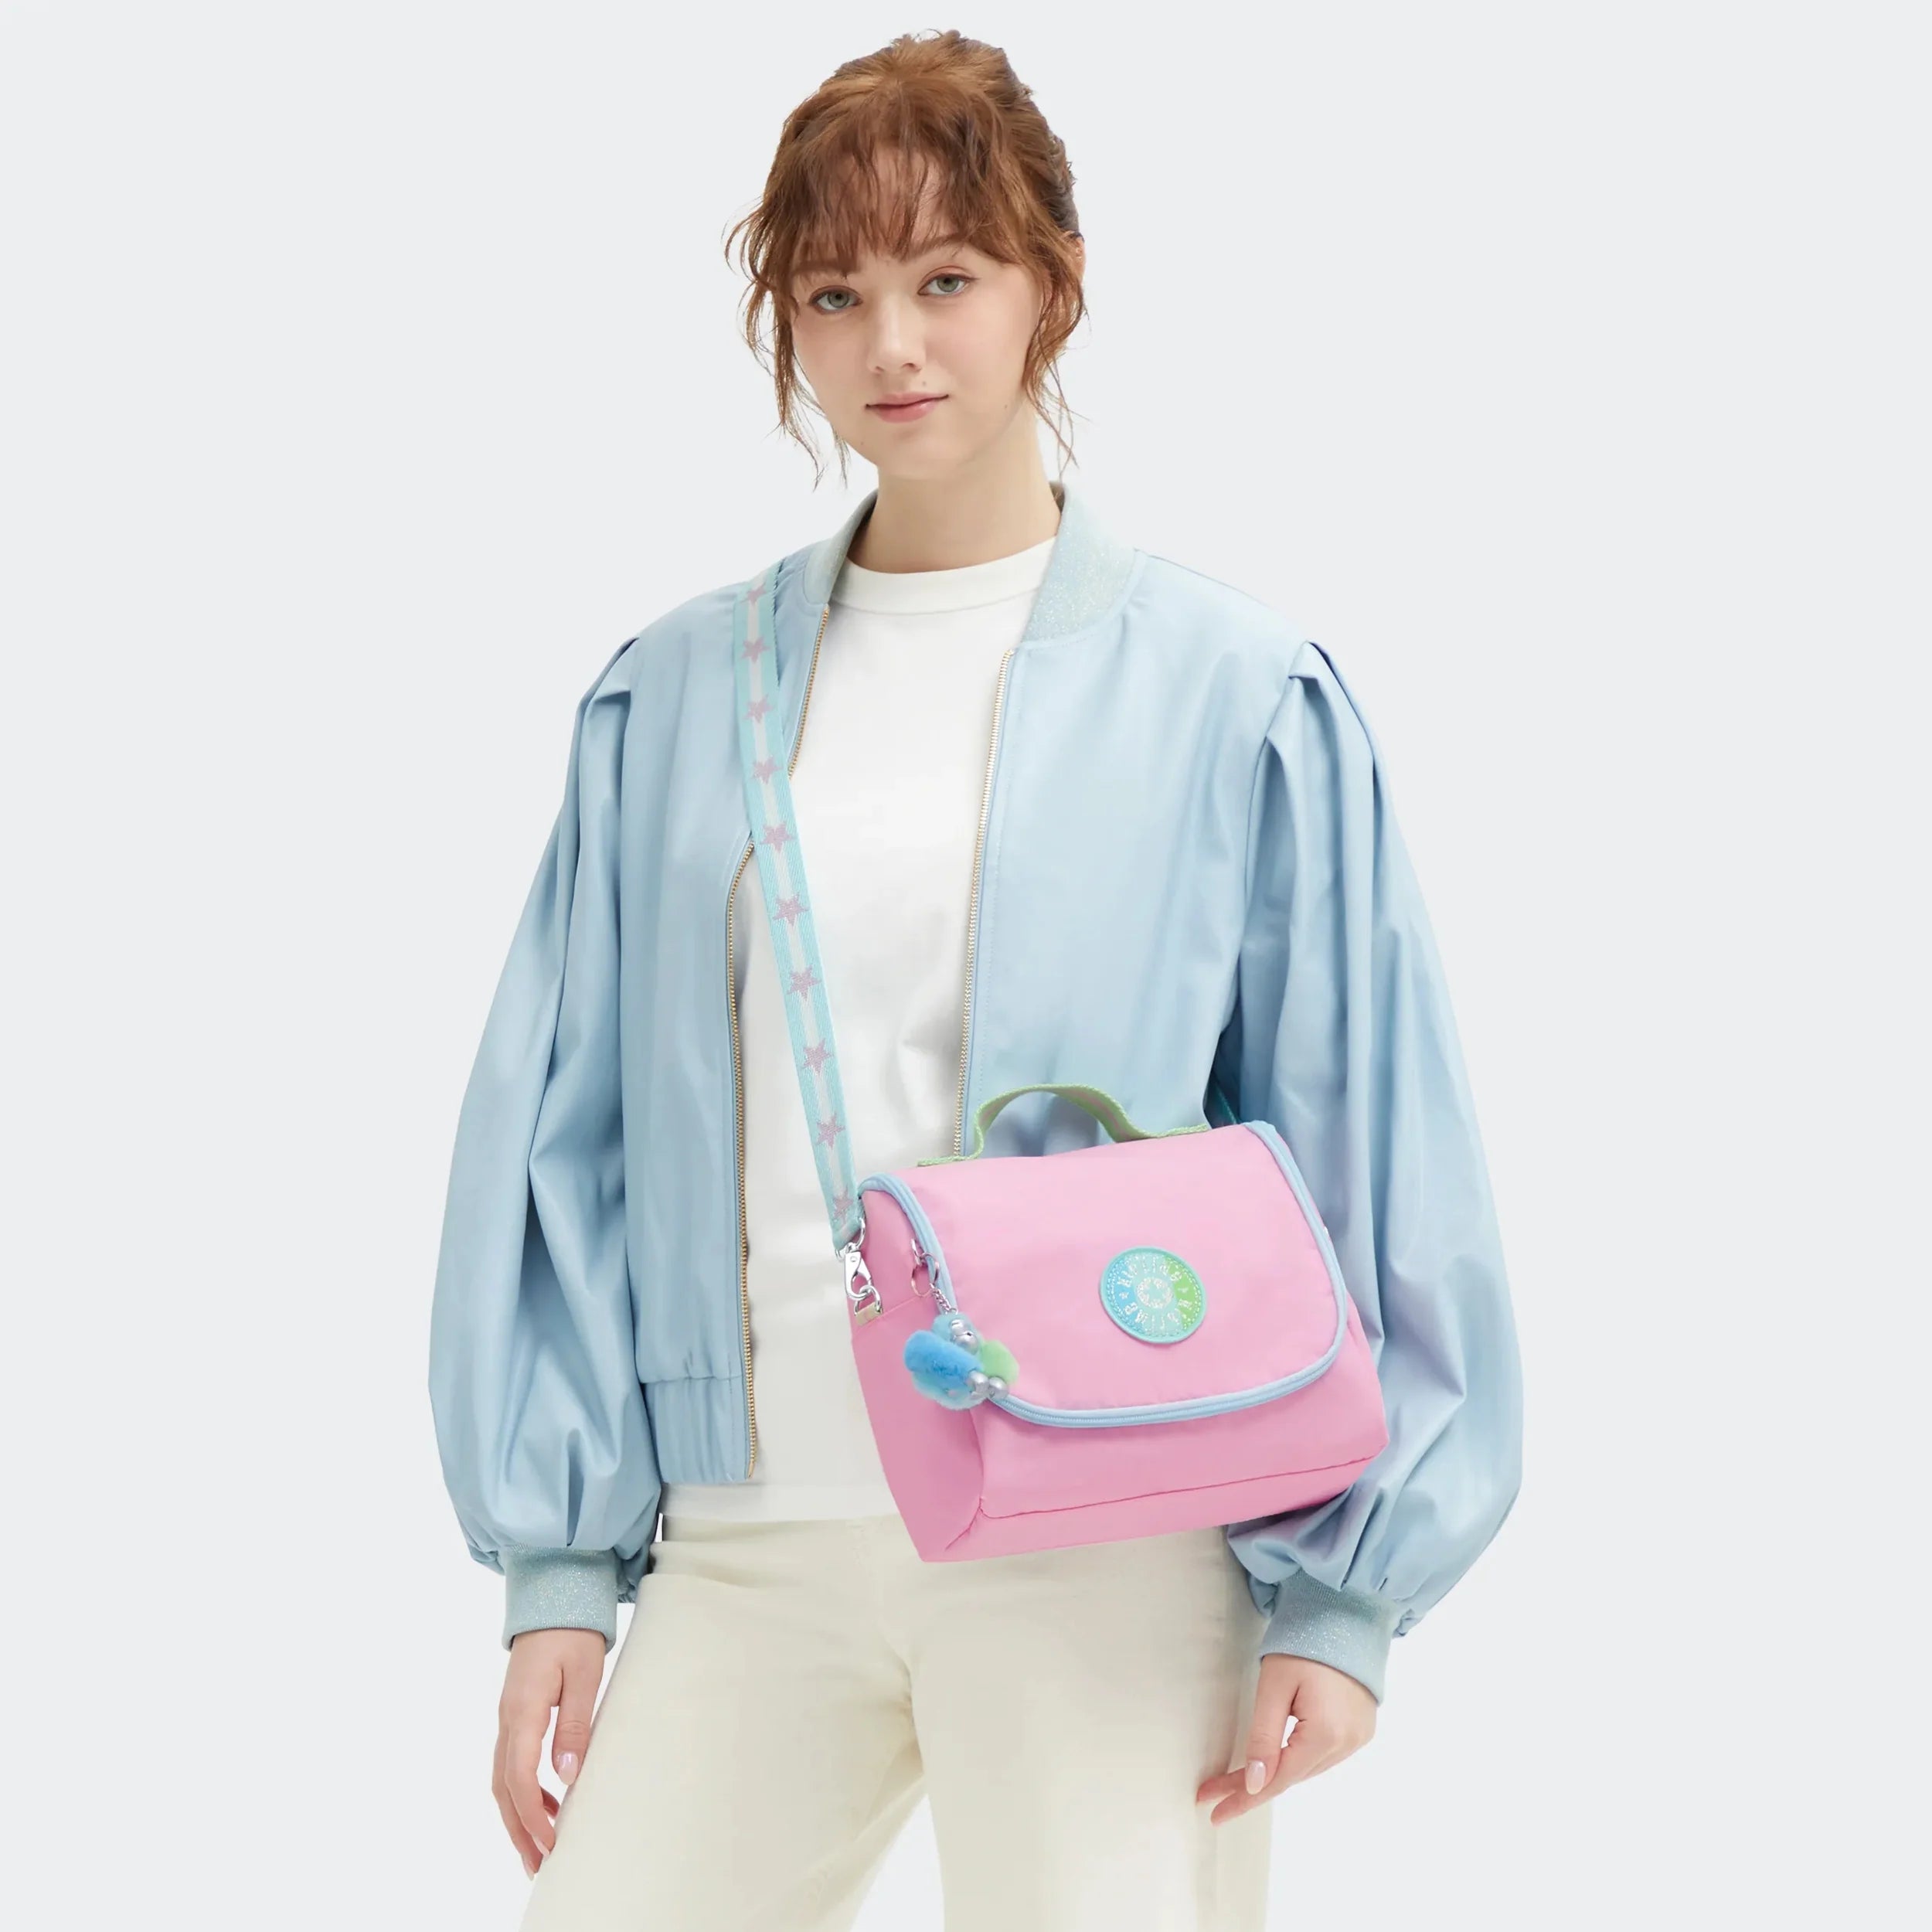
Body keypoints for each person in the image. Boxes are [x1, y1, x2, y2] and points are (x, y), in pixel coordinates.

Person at [427, 29, 1523, 1932]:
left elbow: (1363, 1134)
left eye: (945, 279)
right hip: (747, 1534)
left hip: (1112, 1538)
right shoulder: (670, 698)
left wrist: (1342, 1596)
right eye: (832, 293)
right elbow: (562, 1132)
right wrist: (558, 1573)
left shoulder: (1232, 692)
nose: (891, 345)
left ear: (1050, 285)